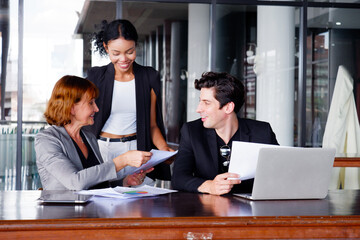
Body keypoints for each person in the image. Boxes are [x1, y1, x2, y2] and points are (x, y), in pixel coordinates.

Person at [85, 19, 173, 182]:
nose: (123, 59)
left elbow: (152, 125)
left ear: (136, 46)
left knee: (141, 204)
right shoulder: (96, 77)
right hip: (104, 150)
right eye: (116, 53)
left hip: (137, 151)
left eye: (129, 51)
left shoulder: (149, 76)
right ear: (106, 48)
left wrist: (164, 149)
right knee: (103, 204)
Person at [35, 76, 153, 190]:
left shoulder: (88, 137)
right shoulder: (47, 140)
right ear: (71, 107)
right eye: (90, 103)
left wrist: (124, 182)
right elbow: (75, 182)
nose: (96, 109)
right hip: (63, 210)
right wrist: (122, 161)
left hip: (91, 209)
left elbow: (95, 184)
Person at [171, 71, 279, 195]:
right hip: (207, 211)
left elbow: (280, 174)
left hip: (253, 211)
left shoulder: (262, 132)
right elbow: (178, 178)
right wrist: (209, 186)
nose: (198, 109)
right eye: (200, 101)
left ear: (228, 107)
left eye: (206, 103)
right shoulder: (192, 131)